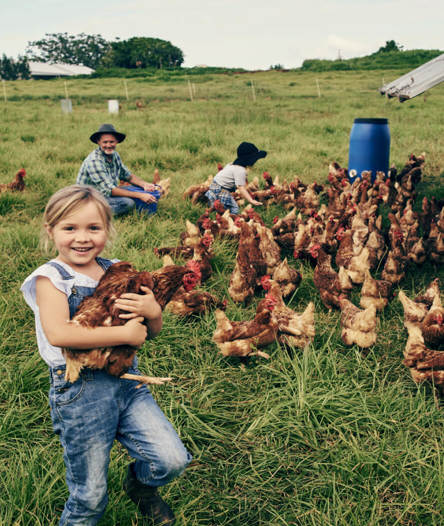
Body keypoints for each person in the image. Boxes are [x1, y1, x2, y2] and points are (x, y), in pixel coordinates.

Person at [21, 185, 190, 526]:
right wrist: (124, 334)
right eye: (69, 228)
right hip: (80, 391)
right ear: (50, 230)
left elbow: (149, 332)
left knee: (172, 459)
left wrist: (153, 311)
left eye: (93, 228)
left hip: (127, 382)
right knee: (90, 495)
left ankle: (141, 487)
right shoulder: (51, 279)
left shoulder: (117, 270)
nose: (81, 238)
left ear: (107, 231)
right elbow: (60, 334)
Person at [77, 123, 161, 216]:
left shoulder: (114, 155)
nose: (108, 145)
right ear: (98, 142)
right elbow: (110, 190)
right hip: (90, 197)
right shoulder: (94, 161)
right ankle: (91, 212)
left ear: (116, 142)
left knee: (137, 189)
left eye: (112, 142)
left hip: (105, 193)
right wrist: (140, 195)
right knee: (128, 203)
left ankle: (138, 209)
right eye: (105, 142)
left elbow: (127, 176)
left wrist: (144, 184)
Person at [205, 141, 267, 214]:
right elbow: (241, 188)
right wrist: (251, 200)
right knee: (234, 208)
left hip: (214, 185)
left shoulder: (231, 165)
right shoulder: (241, 170)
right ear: (250, 159)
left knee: (219, 203)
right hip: (221, 189)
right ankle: (228, 217)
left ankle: (213, 205)